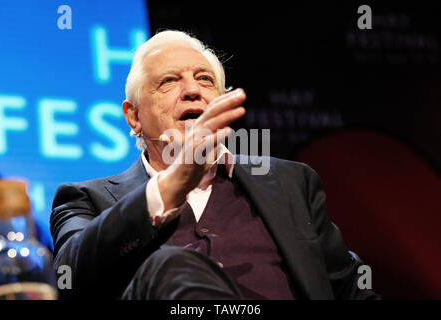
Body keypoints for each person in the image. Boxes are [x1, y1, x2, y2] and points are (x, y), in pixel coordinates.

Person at [50, 30, 379, 300]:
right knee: (169, 264)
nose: (192, 91)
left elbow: (350, 288)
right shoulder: (84, 200)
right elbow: (69, 278)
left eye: (205, 80)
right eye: (169, 81)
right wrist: (175, 180)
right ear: (133, 116)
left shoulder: (292, 182)